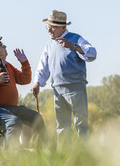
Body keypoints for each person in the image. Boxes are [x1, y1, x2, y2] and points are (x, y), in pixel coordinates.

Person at [31, 10, 97, 144]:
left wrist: (72, 46)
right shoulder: (49, 45)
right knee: (62, 126)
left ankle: (85, 154)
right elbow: (43, 66)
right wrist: (37, 83)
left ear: (63, 27)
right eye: (48, 26)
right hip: (57, 89)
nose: (49, 29)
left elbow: (92, 54)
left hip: (75, 88)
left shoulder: (75, 38)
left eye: (53, 26)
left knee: (81, 123)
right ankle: (65, 155)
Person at [0, 36, 46, 148]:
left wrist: (24, 63)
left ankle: (42, 151)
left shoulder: (7, 65)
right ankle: (9, 157)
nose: (5, 46)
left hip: (11, 108)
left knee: (37, 118)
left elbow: (25, 80)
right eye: (1, 45)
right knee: (14, 122)